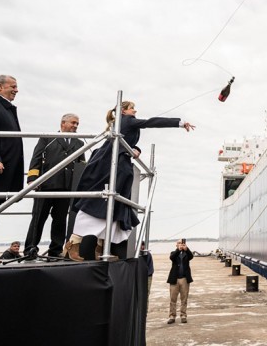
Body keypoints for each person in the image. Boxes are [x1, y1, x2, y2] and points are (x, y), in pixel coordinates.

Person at [65, 101, 195, 261]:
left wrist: (136, 149)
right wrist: (180, 123)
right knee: (101, 204)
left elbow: (127, 142)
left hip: (115, 163)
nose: (135, 110)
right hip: (110, 165)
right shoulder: (126, 120)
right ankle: (73, 244)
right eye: (132, 108)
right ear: (124, 111)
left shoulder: (121, 123)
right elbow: (151, 122)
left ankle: (101, 248)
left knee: (110, 206)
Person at [23, 114, 86, 258]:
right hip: (45, 185)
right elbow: (36, 158)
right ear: (63, 123)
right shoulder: (48, 138)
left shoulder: (80, 143)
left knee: (60, 220)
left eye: (77, 124)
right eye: (73, 123)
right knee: (38, 219)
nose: (76, 126)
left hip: (66, 188)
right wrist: (32, 179)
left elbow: (81, 165)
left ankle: (56, 250)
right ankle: (30, 249)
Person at [0, 75, 24, 241]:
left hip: (5, 172)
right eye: (13, 86)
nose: (16, 90)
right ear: (0, 87)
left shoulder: (6, 107)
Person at [167, 239, 194, 324]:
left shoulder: (187, 253)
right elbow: (172, 257)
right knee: (172, 299)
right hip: (174, 278)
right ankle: (172, 316)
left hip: (184, 279)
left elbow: (191, 256)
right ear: (176, 245)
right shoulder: (173, 253)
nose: (180, 245)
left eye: (182, 243)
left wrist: (187, 249)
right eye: (178, 243)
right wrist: (178, 250)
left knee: (184, 298)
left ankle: (183, 315)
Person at [141, 240, 154, 312]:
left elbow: (150, 270)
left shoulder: (148, 254)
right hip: (142, 275)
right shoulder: (137, 254)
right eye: (141, 245)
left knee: (146, 293)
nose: (142, 247)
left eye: (143, 245)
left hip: (148, 276)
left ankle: (145, 310)